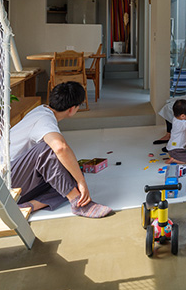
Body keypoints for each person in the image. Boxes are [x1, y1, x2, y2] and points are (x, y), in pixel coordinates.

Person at [11, 81, 112, 218]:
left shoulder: (41, 110)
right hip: (5, 181)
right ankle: (79, 204)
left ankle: (29, 205)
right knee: (46, 149)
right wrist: (82, 182)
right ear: (72, 109)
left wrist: (78, 179)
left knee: (72, 175)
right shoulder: (44, 120)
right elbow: (60, 147)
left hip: (17, 178)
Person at [164, 98, 186, 164]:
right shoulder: (179, 124)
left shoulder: (177, 118)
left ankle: (176, 156)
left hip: (179, 146)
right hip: (176, 150)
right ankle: (174, 159)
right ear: (183, 116)